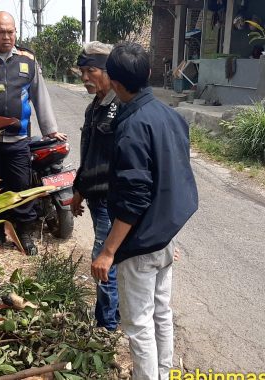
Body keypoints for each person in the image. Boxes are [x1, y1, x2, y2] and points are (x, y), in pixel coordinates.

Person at [90, 42, 198, 380]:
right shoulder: (172, 116)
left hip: (140, 243)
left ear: (116, 84)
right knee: (161, 314)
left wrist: (108, 251)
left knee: (138, 325)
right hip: (164, 237)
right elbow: (173, 178)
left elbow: (135, 198)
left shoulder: (132, 127)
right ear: (149, 74)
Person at [0, 11, 67, 255]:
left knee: (20, 185)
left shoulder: (27, 59)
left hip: (17, 139)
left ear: (16, 32)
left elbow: (39, 95)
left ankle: (24, 232)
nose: (7, 37)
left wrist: (50, 130)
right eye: (1, 32)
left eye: (11, 31)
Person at [71, 41, 120, 331]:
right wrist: (79, 190)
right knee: (109, 259)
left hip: (113, 200)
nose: (84, 78)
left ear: (108, 71)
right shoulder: (94, 108)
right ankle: (112, 317)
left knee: (103, 260)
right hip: (95, 198)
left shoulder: (122, 106)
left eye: (90, 71)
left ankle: (106, 326)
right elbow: (88, 153)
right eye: (82, 71)